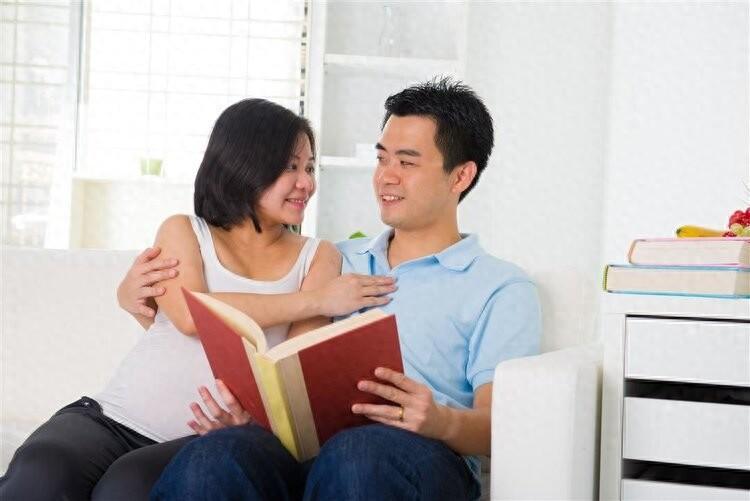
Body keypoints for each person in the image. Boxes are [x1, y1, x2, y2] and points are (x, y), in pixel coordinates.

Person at [121, 78, 542, 501]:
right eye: (382, 159)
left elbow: (503, 426)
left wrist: (441, 420)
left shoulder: (500, 287)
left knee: (357, 456)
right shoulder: (330, 258)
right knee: (216, 455)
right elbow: (262, 348)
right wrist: (140, 304)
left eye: (407, 163)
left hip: (418, 454)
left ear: (461, 176)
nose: (386, 177)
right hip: (305, 453)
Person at [0, 99, 394, 501]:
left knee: (126, 490)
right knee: (39, 472)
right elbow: (192, 315)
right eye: (290, 167)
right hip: (112, 416)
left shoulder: (318, 256)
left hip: (199, 440)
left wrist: (253, 426)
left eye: (309, 168)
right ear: (245, 165)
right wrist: (317, 301)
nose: (306, 183)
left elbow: (294, 375)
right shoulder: (184, 230)